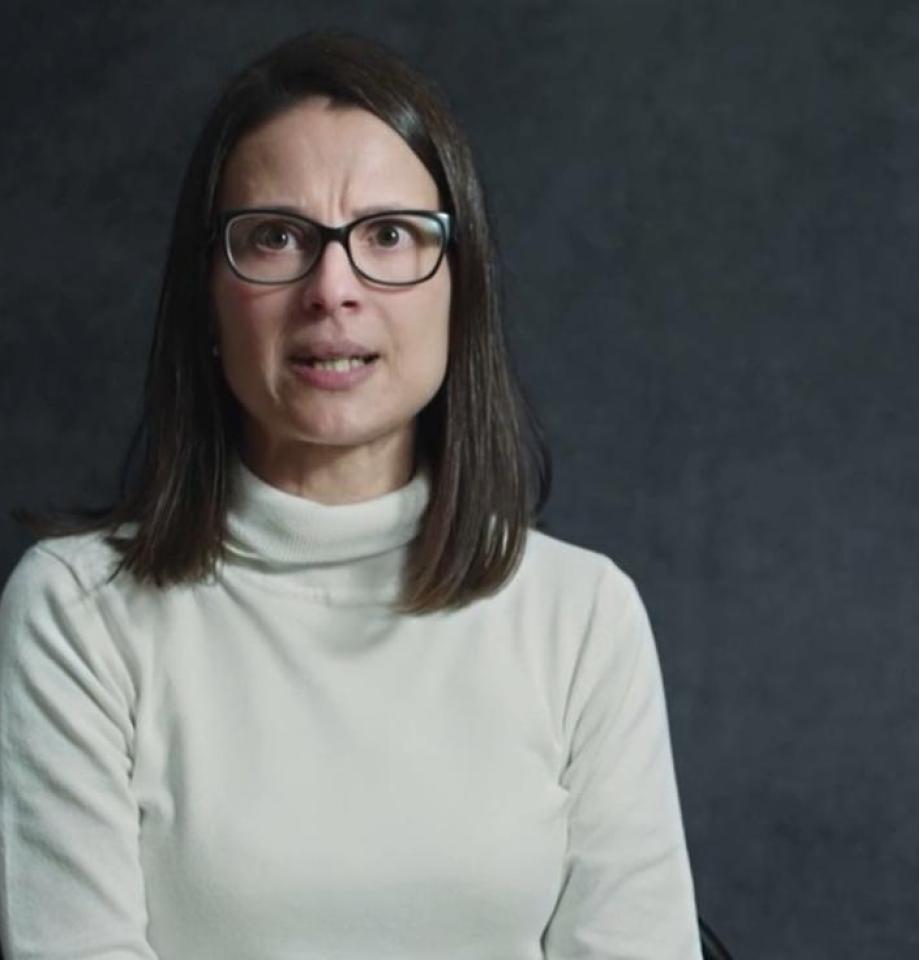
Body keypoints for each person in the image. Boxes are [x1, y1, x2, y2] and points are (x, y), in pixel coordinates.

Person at [0, 32, 700, 958]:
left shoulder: (581, 618)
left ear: (461, 286)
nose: (333, 289)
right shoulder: (78, 615)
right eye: (277, 237)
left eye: (390, 235)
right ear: (208, 296)